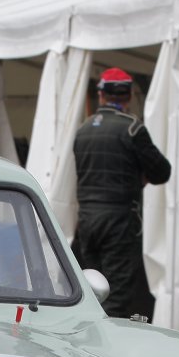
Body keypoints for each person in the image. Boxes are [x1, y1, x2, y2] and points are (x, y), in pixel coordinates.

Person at [71, 67, 172, 320]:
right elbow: (162, 171)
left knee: (91, 290)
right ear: (129, 96)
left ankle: (87, 336)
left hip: (87, 220)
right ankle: (104, 341)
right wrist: (139, 177)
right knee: (116, 295)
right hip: (120, 220)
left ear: (101, 95)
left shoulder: (83, 130)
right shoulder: (132, 128)